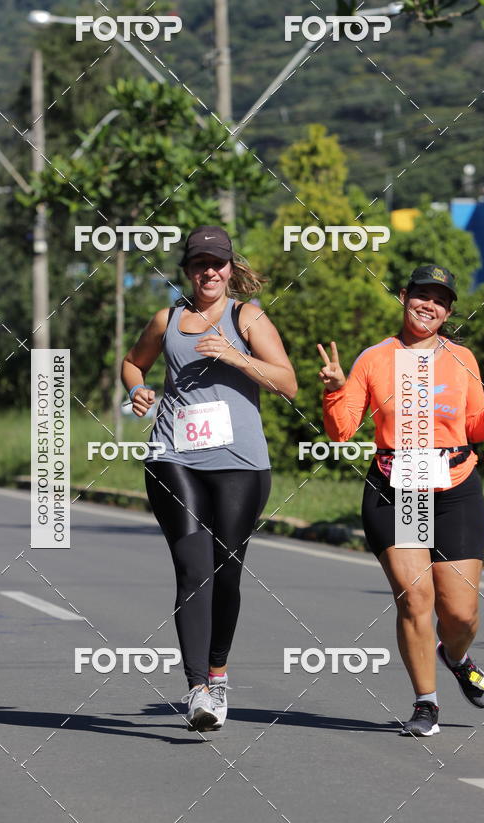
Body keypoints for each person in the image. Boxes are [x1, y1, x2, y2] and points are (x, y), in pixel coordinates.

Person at [317, 264, 484, 737]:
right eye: (421, 295)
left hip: (455, 489)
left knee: (460, 613)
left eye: (439, 299)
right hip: (398, 491)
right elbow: (342, 430)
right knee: (416, 598)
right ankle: (425, 704)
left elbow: (475, 429)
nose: (428, 305)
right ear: (403, 296)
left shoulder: (462, 359)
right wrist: (334, 391)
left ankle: (454, 656)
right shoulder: (375, 358)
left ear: (449, 310)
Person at [122, 225, 297, 732]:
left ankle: (218, 672)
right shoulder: (168, 319)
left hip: (240, 462)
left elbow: (287, 382)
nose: (209, 272)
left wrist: (234, 355)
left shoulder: (249, 317)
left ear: (229, 267)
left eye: (217, 263)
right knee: (193, 566)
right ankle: (198, 687)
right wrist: (139, 390)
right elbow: (133, 364)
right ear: (187, 270)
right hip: (172, 454)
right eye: (199, 263)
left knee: (227, 570)